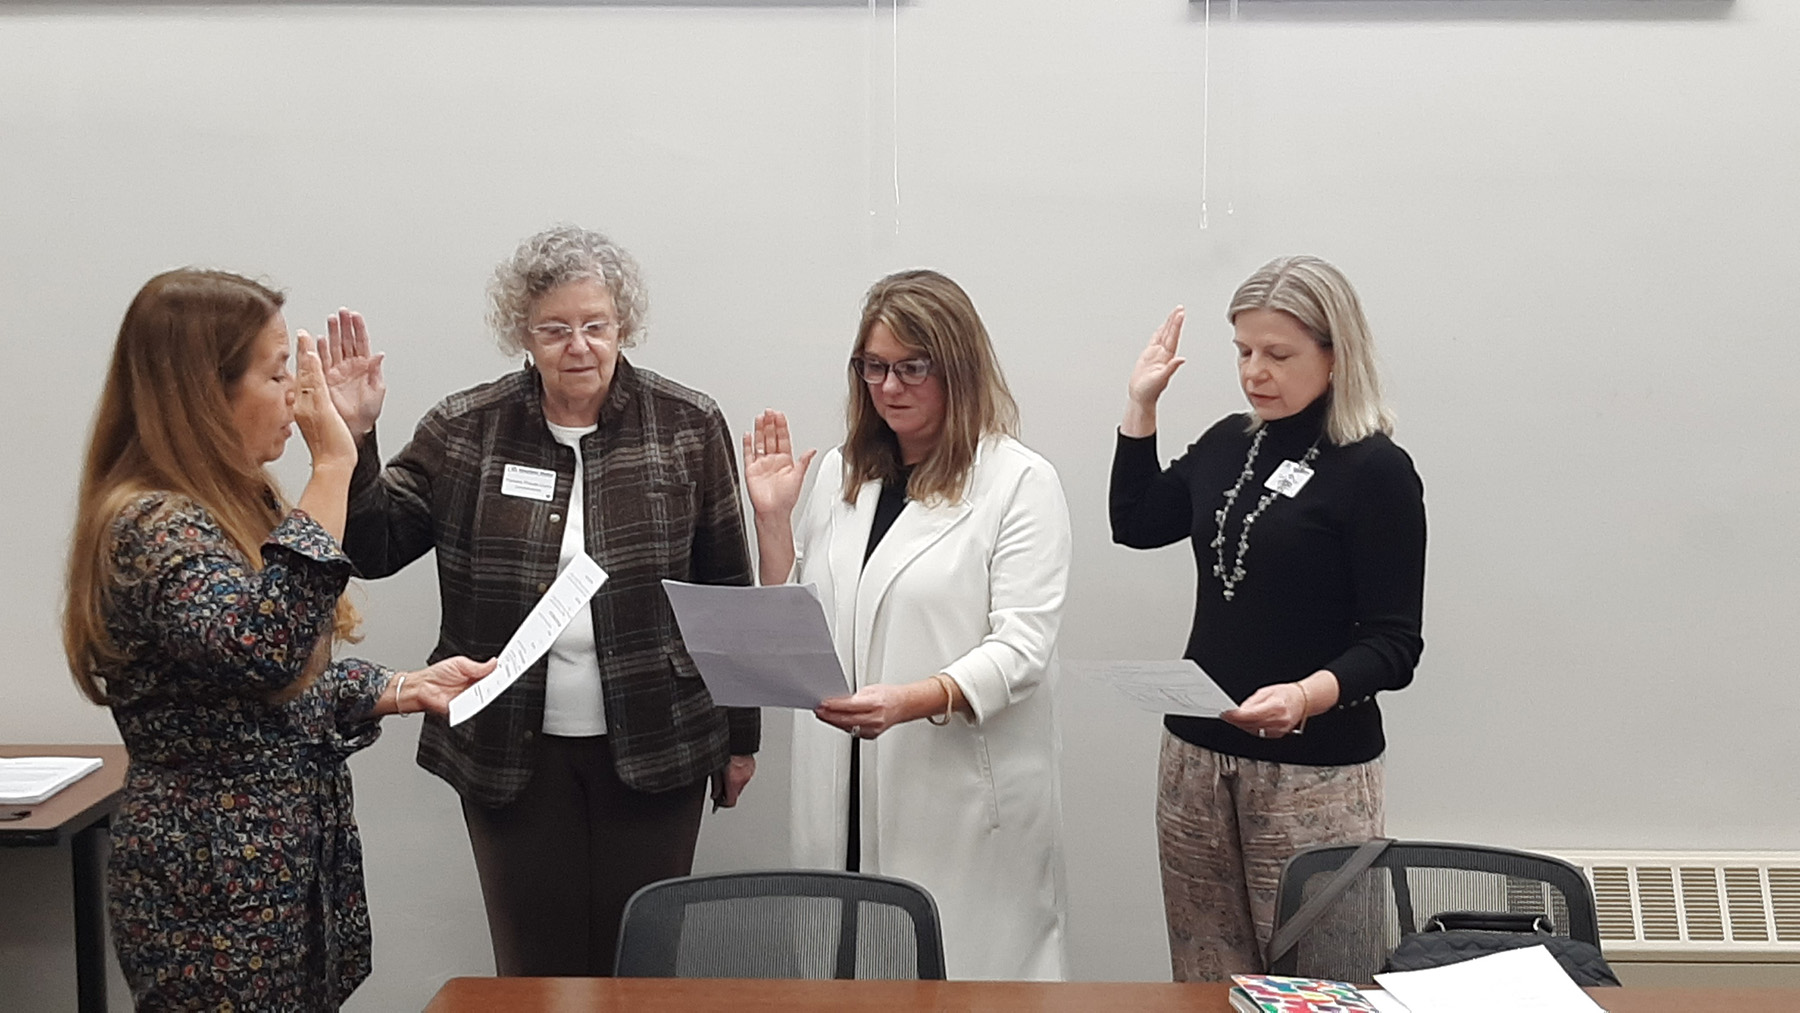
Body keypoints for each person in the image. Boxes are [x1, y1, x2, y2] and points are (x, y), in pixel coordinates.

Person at [330, 225, 758, 976]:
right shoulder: (466, 429)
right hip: (509, 752)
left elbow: (726, 583)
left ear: (624, 325)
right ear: (521, 334)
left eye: (596, 325)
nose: (579, 346)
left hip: (661, 741)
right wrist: (355, 436)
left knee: (644, 961)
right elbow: (374, 545)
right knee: (536, 968)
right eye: (555, 329)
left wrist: (741, 735)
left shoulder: (688, 424)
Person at [62, 269, 496, 1010]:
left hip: (279, 874)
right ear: (204, 392)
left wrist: (396, 688)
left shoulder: (229, 500)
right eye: (276, 375)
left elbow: (264, 685)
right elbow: (263, 647)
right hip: (213, 887)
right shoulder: (153, 525)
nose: (300, 398)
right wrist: (334, 464)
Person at [744, 269, 1071, 980]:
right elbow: (797, 616)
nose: (889, 387)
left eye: (911, 367)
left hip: (949, 789)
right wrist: (772, 519)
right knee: (842, 973)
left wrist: (912, 699)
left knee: (959, 977)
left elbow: (1022, 649)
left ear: (958, 366)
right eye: (874, 367)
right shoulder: (838, 473)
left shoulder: (1018, 483)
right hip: (841, 779)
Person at [1109, 255, 1426, 981]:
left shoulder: (1376, 470)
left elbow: (1395, 643)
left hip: (1314, 769)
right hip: (1196, 754)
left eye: (1278, 354)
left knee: (1321, 979)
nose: (1255, 371)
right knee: (1206, 970)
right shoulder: (1229, 442)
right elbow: (1136, 520)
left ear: (1335, 354)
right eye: (1244, 352)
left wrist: (1305, 693)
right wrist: (1141, 405)